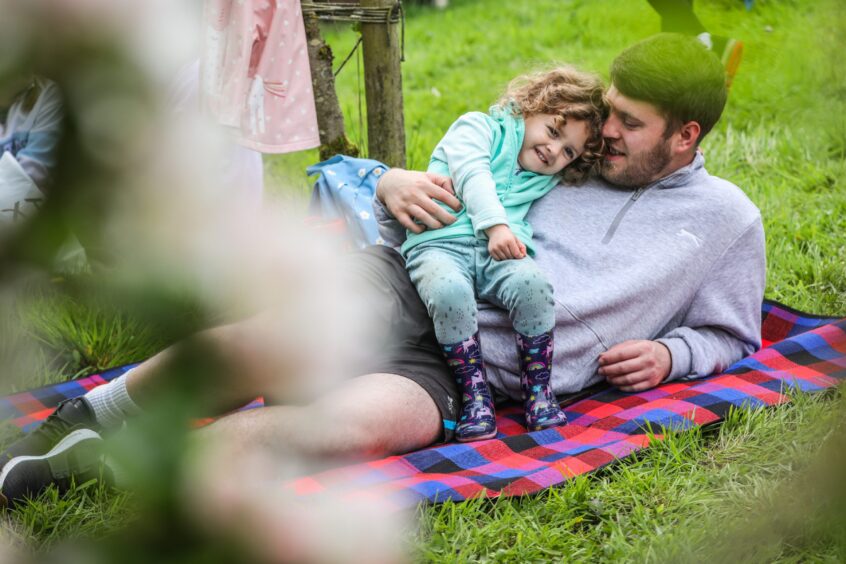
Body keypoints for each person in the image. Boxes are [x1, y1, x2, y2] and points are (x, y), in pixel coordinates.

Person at [0, 33, 765, 508]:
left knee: (354, 428)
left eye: (631, 123)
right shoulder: (577, 151)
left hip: (474, 373)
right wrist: (390, 182)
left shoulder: (726, 222)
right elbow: (468, 162)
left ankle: (107, 469)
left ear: (686, 135)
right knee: (270, 342)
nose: (606, 134)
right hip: (409, 277)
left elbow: (733, 332)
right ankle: (90, 415)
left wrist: (674, 354)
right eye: (611, 113)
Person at [404, 66, 606, 440]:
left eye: (568, 151)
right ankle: (475, 396)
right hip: (440, 242)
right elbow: (470, 172)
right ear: (530, 107)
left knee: (533, 285)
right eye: (553, 131)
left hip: (499, 252)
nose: (553, 150)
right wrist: (496, 226)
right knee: (449, 292)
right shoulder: (477, 127)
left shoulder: (546, 175)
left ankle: (538, 392)